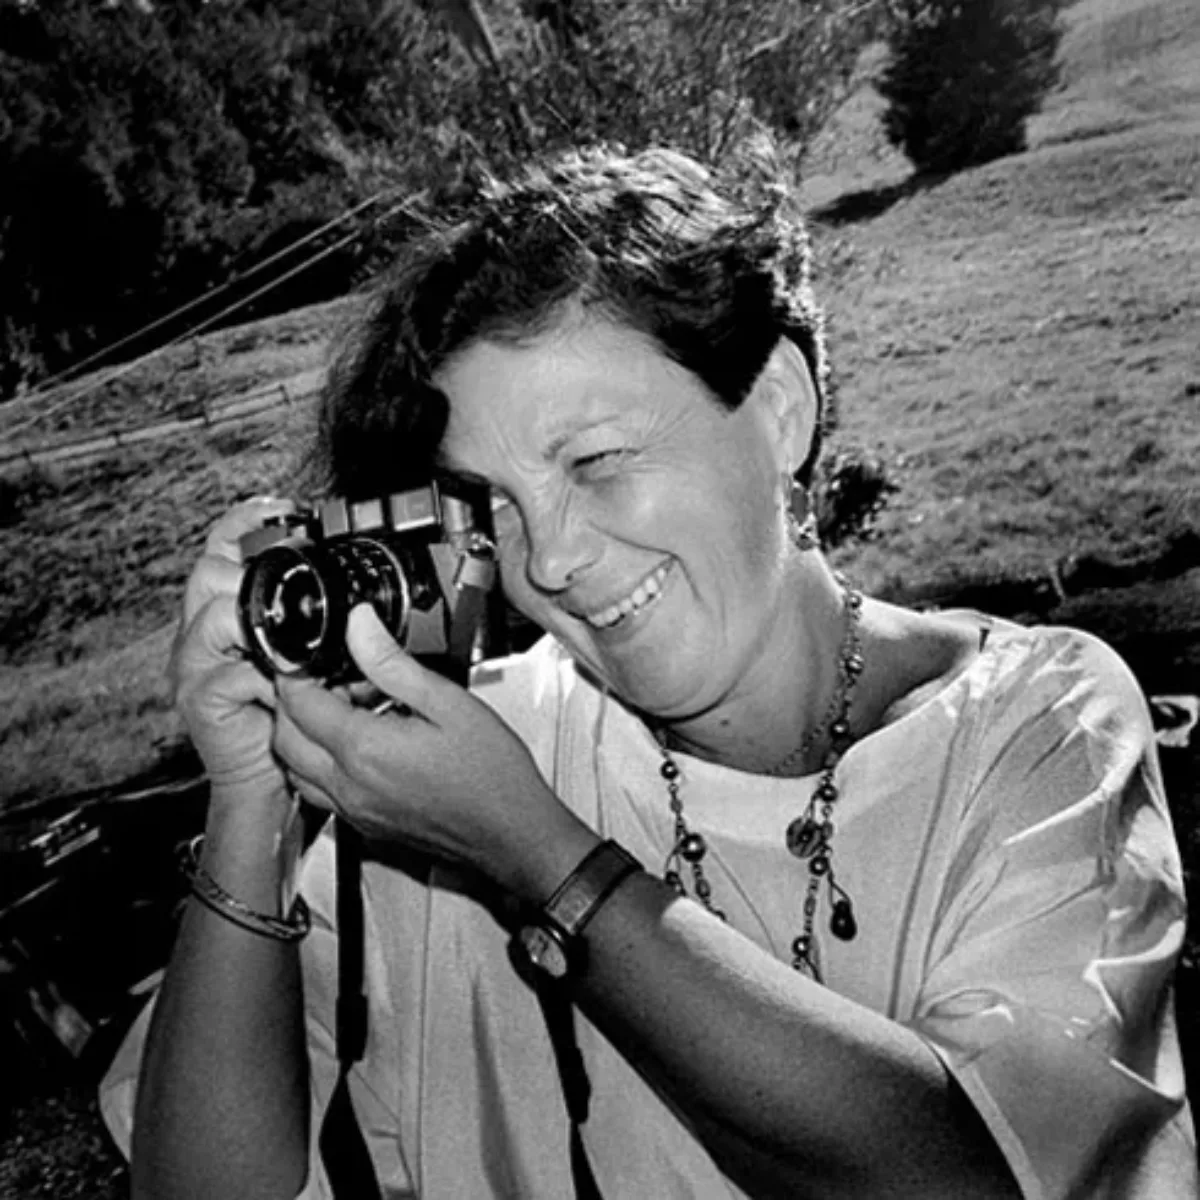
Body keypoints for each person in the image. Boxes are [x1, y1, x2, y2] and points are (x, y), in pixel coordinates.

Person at [101, 145, 1196, 1199]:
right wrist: (251, 799)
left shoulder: (1039, 723)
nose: (552, 560)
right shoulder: (463, 755)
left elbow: (974, 1176)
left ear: (778, 412)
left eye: (596, 462)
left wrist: (542, 863)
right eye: (496, 508)